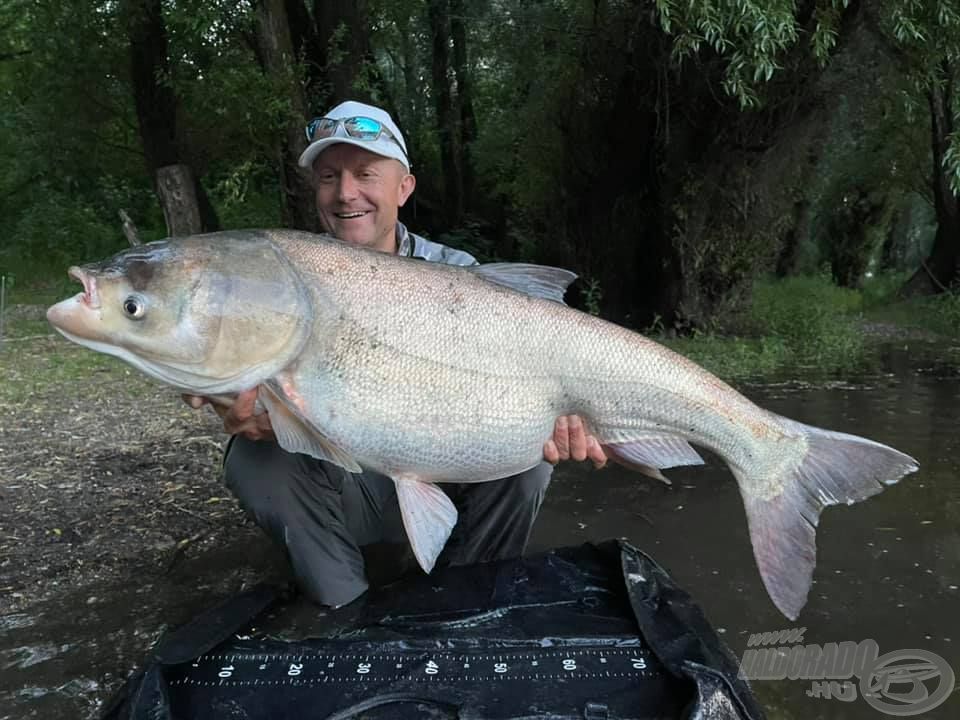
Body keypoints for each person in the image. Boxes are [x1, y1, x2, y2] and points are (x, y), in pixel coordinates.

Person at [184, 101, 607, 608]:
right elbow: (218, 360)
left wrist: (567, 415)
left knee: (529, 461)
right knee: (255, 460)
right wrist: (230, 401)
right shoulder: (283, 276)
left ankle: (466, 599)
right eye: (328, 176)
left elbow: (530, 381)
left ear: (404, 187)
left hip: (447, 468)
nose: (346, 193)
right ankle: (348, 612)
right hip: (351, 483)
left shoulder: (460, 275)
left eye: (366, 174)